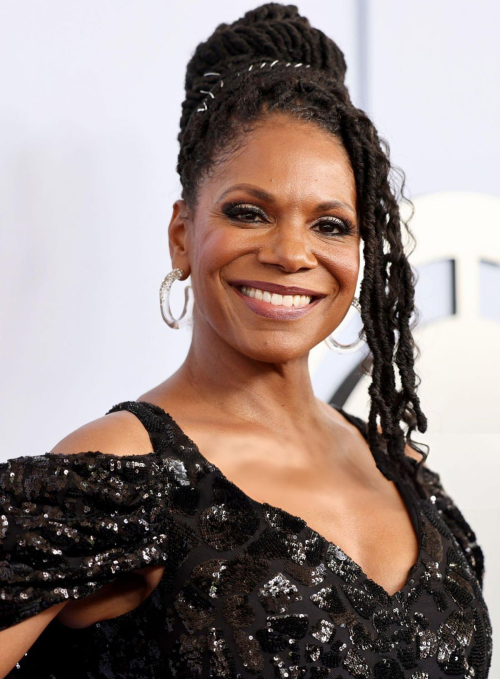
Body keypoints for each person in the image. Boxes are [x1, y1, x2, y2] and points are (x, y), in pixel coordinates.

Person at [0, 3, 492, 678]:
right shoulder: (122, 471)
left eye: (330, 224)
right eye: (248, 212)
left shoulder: (402, 469)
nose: (292, 252)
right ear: (182, 234)